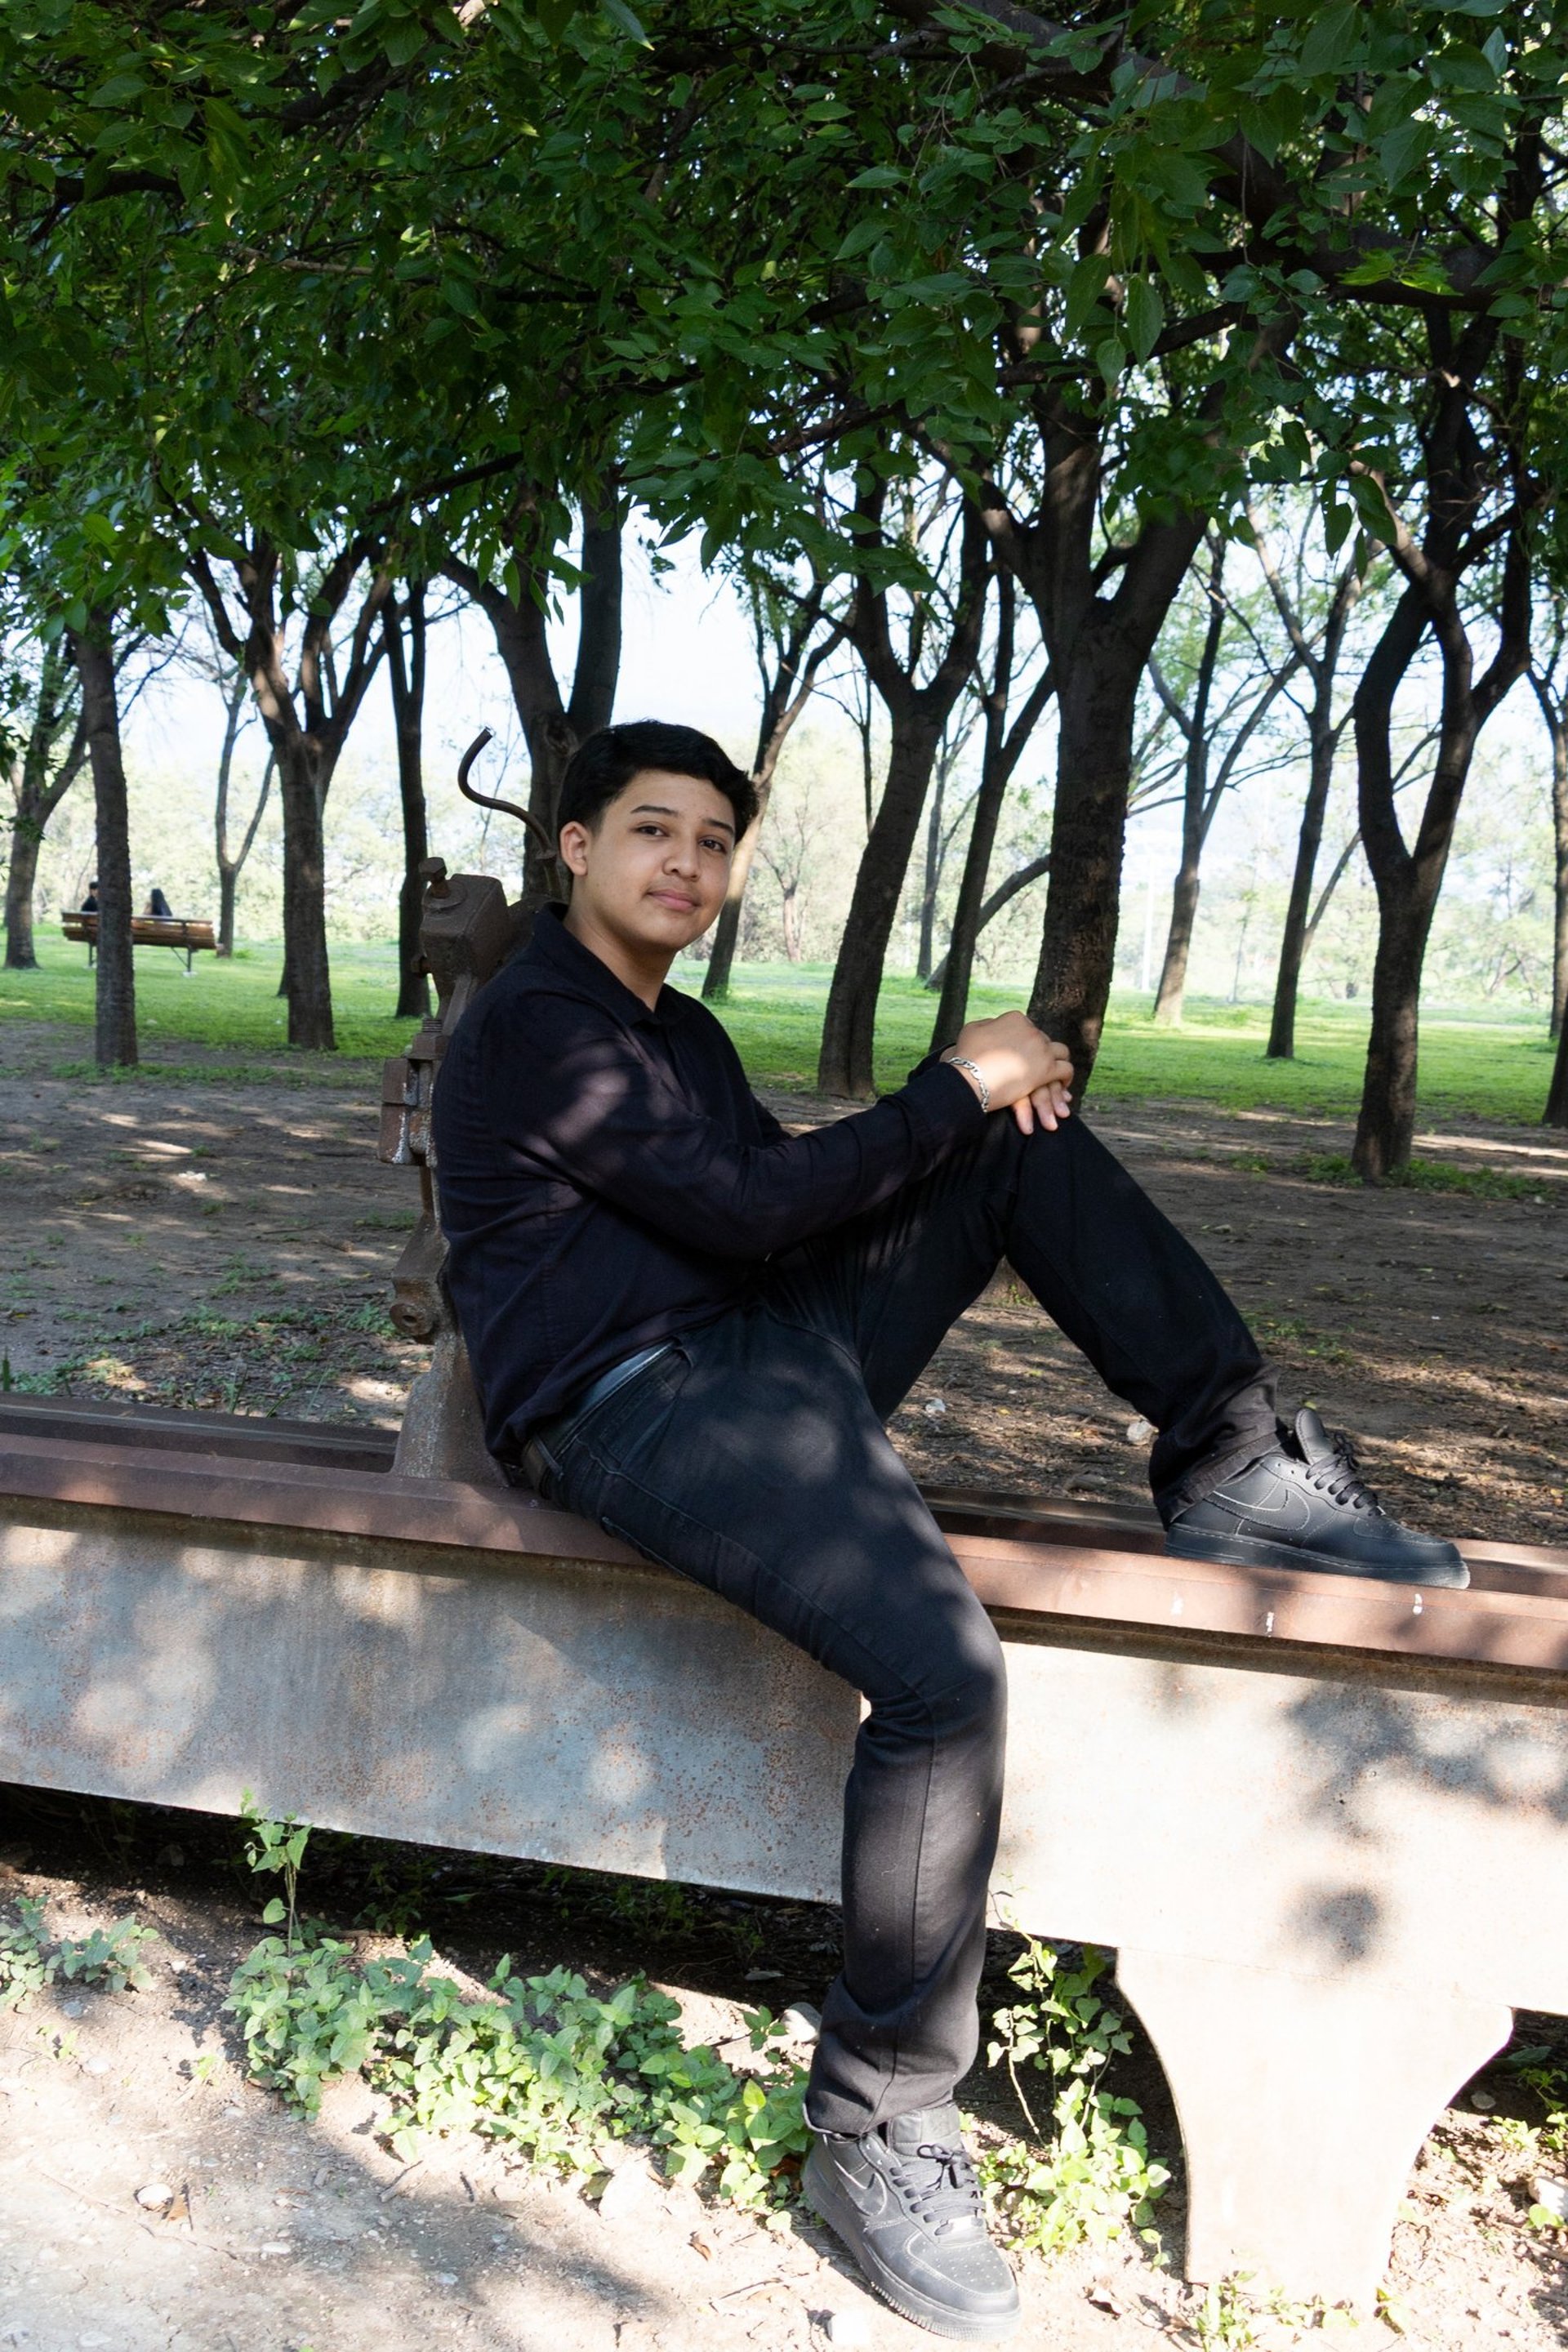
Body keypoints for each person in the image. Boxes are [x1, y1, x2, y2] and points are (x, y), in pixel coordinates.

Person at [432, 720, 1463, 2343]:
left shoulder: (678, 1032)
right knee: (942, 1675)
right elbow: (750, 1209)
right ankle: (880, 2122)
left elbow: (766, 1208)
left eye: (714, 841)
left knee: (1011, 1146)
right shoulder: (536, 1024)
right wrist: (953, 1078)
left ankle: (1232, 1460)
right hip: (626, 1403)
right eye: (652, 830)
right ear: (575, 847)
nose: (686, 864)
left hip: (755, 1356)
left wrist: (987, 1106)